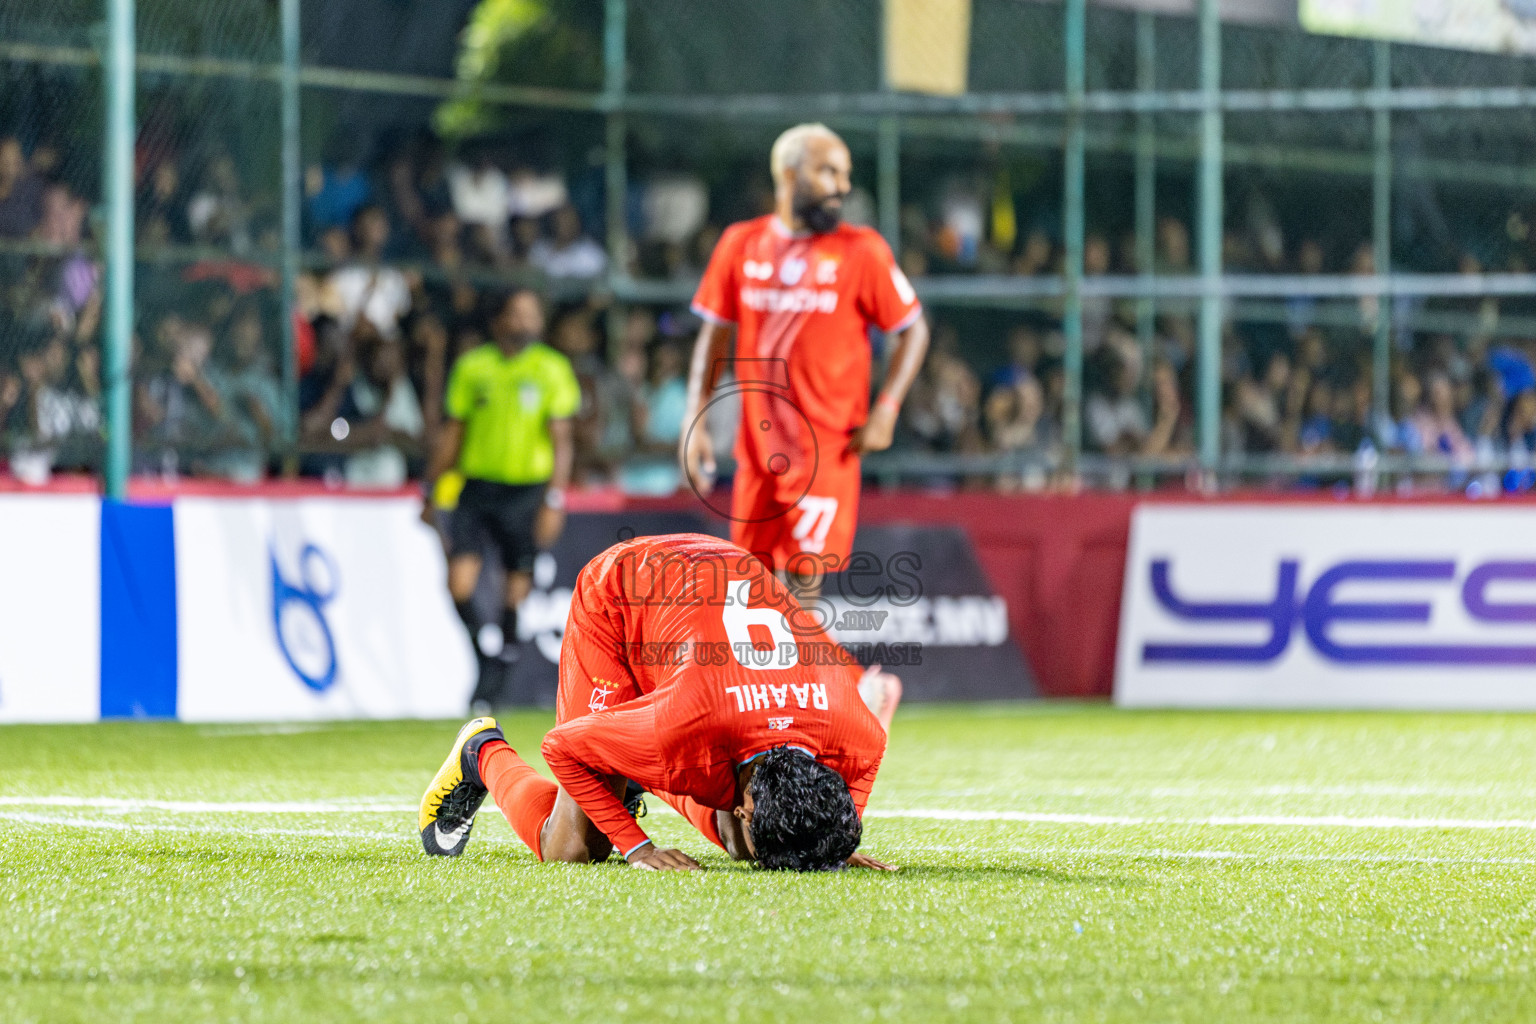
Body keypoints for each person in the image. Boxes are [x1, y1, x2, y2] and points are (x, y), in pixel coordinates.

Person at [416, 532, 899, 871]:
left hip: (710, 585)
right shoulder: (687, 720)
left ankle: (635, 767)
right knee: (573, 848)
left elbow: (870, 754)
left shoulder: (855, 731)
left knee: (746, 846)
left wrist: (828, 842)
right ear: (748, 803)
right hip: (621, 599)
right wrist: (638, 848)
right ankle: (482, 752)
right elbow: (563, 747)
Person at [680, 123, 929, 601]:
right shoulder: (739, 243)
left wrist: (887, 409)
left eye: (845, 174)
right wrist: (697, 413)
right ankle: (779, 677)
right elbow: (715, 334)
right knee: (751, 590)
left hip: (827, 448)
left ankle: (803, 678)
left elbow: (913, 331)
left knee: (801, 587)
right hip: (756, 450)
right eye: (829, 171)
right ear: (790, 175)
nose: (843, 185)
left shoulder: (862, 251)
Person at [424, 288, 578, 711]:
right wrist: (431, 485)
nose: (525, 322)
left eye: (532, 314)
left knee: (517, 589)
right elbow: (454, 433)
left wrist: (556, 499)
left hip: (527, 492)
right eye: (517, 313)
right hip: (477, 488)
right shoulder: (474, 368)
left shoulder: (552, 368)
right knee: (459, 583)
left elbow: (562, 440)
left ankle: (502, 666)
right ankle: (484, 657)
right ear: (499, 321)